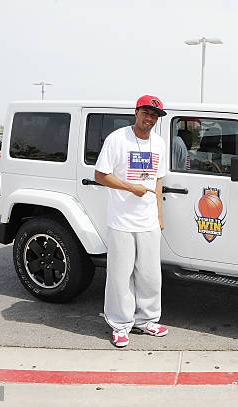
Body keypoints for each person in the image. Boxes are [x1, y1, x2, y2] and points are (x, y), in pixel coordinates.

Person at [94, 95, 169, 348]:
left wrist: (159, 215)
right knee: (120, 275)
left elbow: (158, 181)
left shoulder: (159, 143)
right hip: (122, 221)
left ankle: (147, 320)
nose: (150, 119)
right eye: (146, 113)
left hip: (148, 221)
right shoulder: (118, 139)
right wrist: (129, 187)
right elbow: (100, 175)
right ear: (136, 112)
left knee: (149, 275)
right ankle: (119, 324)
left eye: (155, 115)